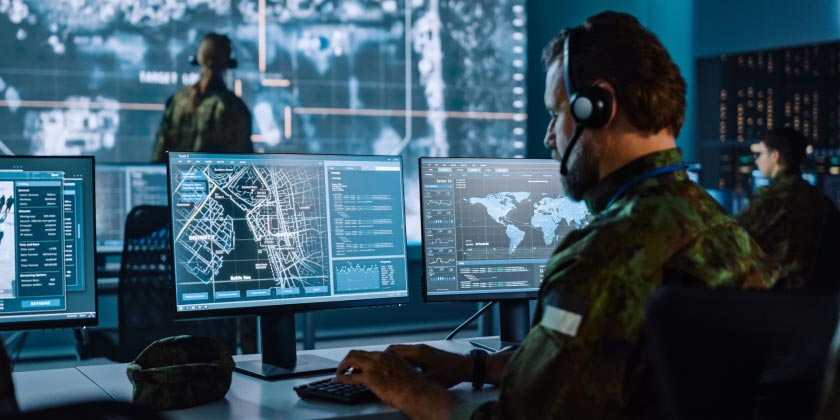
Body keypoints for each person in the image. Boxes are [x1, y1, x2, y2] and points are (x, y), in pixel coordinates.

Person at [333, 11, 779, 419]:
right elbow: (608, 363)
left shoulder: (600, 258)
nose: (550, 136)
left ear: (597, 106)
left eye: (555, 113)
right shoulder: (729, 234)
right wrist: (476, 365)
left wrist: (404, 389)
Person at [737, 127, 839, 290]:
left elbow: (735, 238)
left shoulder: (771, 198)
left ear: (775, 156)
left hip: (777, 288)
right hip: (817, 294)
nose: (757, 160)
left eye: (761, 153)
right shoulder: (821, 199)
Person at [151, 33, 253, 163]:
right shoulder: (234, 107)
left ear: (198, 59)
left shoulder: (176, 102)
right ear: (227, 63)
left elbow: (159, 156)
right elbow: (245, 162)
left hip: (179, 182)